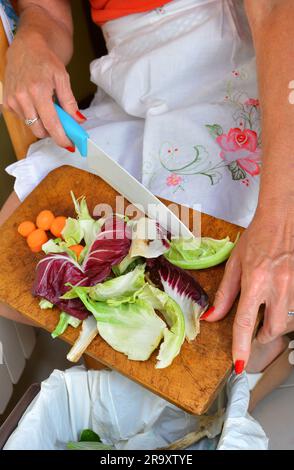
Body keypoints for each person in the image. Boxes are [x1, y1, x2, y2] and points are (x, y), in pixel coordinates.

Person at [1, 0, 294, 379]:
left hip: (248, 57)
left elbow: (275, 10)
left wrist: (279, 225)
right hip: (129, 81)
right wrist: (35, 35)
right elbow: (46, 10)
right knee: (16, 277)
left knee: (233, 322)